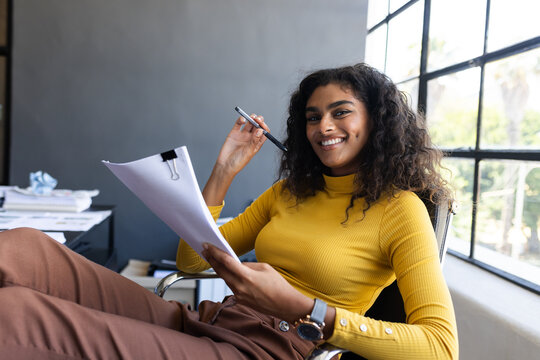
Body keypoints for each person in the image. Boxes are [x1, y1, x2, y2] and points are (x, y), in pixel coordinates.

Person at [0, 63, 458, 359]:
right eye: (313, 117)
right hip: (216, 321)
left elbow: (441, 347)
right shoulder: (290, 191)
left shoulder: (400, 210)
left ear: (376, 122)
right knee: (24, 248)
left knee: (15, 316)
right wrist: (223, 170)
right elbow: (192, 261)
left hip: (272, 350)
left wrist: (307, 309)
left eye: (341, 113)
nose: (324, 127)